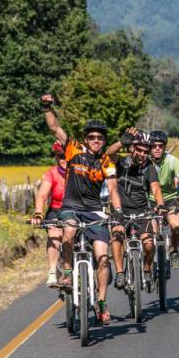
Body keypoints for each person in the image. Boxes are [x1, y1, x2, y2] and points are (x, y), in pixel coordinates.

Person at [41, 93, 122, 325]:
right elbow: (55, 127)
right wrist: (47, 107)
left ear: (104, 141)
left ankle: (102, 303)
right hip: (71, 207)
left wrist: (116, 210)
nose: (96, 140)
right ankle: (67, 273)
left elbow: (114, 190)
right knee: (69, 228)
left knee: (103, 257)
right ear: (86, 139)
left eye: (100, 138)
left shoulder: (106, 162)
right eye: (92, 137)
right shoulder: (73, 149)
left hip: (95, 210)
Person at [106, 129, 165, 292]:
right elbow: (109, 153)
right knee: (116, 236)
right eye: (139, 150)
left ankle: (146, 270)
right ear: (132, 148)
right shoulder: (122, 162)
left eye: (146, 151)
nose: (142, 154)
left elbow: (156, 189)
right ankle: (119, 273)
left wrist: (160, 205)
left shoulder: (149, 168)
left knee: (148, 243)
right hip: (120, 211)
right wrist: (121, 142)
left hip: (142, 212)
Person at [149, 130, 179, 269]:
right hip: (150, 200)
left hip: (169, 199)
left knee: (177, 227)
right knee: (152, 233)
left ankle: (173, 250)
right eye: (154, 146)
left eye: (160, 146)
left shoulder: (172, 160)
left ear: (165, 146)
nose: (157, 149)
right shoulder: (146, 161)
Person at [31, 141, 67, 288]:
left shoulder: (79, 171)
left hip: (77, 210)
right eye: (61, 156)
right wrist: (38, 213)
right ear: (56, 158)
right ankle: (52, 271)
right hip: (56, 210)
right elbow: (42, 195)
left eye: (67, 156)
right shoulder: (51, 173)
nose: (64, 159)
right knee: (54, 233)